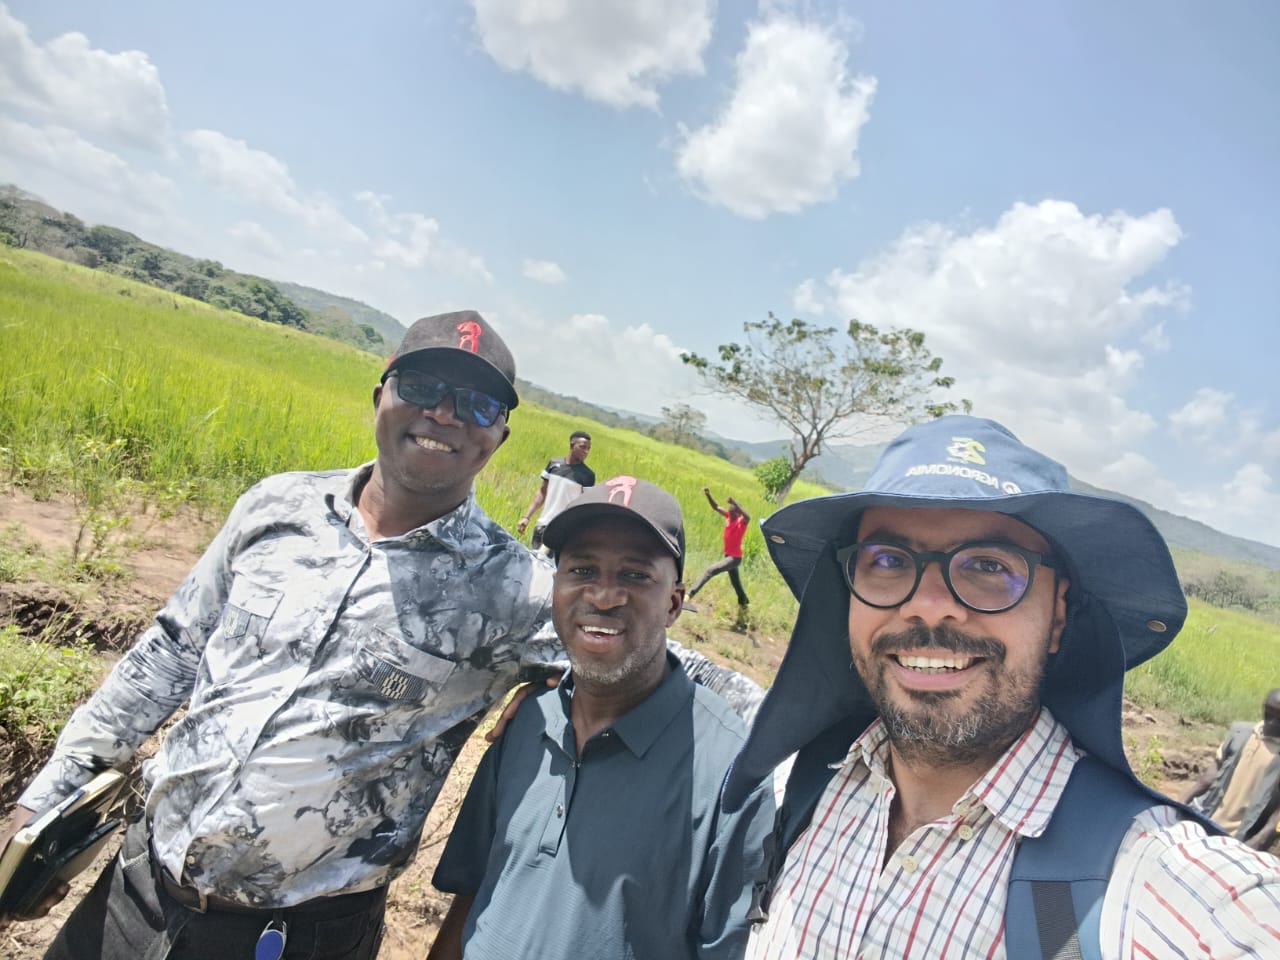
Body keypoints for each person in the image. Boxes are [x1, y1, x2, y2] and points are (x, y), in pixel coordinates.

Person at [0, 311, 747, 960]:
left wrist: (796, 727)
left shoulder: (514, 590)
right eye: (423, 387)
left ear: (498, 437)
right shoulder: (275, 507)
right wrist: (46, 796)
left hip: (296, 935)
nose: (445, 414)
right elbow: (168, 651)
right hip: (137, 883)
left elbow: (658, 654)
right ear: (380, 395)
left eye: (477, 403)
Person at [718, 415, 1280, 959]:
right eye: (887, 560)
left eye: (987, 566)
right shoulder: (799, 787)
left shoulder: (1144, 882)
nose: (928, 606)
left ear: (1058, 615)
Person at [427, 477, 773, 960]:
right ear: (556, 586)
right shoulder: (528, 720)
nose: (605, 595)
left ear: (674, 603)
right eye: (583, 569)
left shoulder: (730, 778)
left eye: (635, 574)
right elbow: (474, 893)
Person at [1183, 688, 1280, 852]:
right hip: (1206, 821)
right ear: (1263, 708)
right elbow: (1209, 777)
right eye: (1269, 714)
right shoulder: (1240, 733)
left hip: (1240, 841)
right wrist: (1182, 802)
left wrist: (1259, 840)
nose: (1272, 723)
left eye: (1279, 719)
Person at [516, 429, 594, 553]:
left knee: (544, 562)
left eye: (588, 449)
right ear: (572, 445)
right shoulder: (554, 464)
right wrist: (526, 517)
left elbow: (584, 507)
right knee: (533, 560)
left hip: (562, 530)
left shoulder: (588, 476)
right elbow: (542, 492)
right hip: (542, 526)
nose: (586, 451)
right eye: (582, 447)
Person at [687, 487, 750, 608]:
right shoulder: (729, 517)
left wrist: (735, 503)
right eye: (730, 513)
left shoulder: (741, 523)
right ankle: (744, 603)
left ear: (738, 514)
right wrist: (708, 494)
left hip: (734, 558)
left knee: (710, 571)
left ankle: (689, 594)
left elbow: (748, 517)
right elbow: (716, 507)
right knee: (736, 583)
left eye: (733, 514)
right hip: (728, 556)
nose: (730, 515)